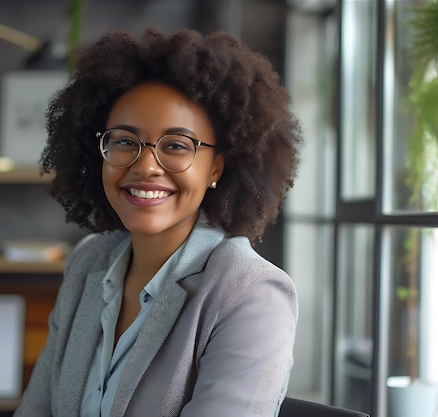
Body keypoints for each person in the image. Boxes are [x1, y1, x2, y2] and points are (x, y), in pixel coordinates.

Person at [15, 27, 302, 417]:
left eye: (177, 146)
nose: (146, 165)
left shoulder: (251, 294)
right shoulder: (89, 263)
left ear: (217, 165)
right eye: (124, 141)